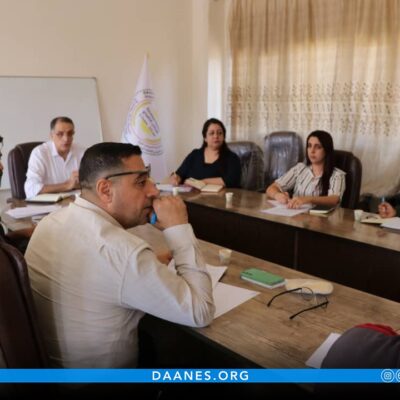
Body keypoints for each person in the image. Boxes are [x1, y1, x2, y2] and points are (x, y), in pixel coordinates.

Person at [25, 142, 215, 368]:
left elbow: (100, 272)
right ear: (105, 190)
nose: (154, 190)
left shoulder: (49, 222)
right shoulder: (124, 253)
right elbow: (201, 311)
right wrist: (178, 227)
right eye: (141, 182)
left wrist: (146, 266)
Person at [266, 130, 346, 209]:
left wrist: (308, 199)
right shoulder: (300, 168)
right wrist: (278, 195)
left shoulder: (337, 175)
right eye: (309, 146)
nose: (312, 151)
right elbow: (271, 188)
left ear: (327, 150)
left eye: (318, 147)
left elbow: (334, 199)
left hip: (321, 217)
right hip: (296, 215)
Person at [169, 118, 241, 188]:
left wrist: (203, 182)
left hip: (220, 196)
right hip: (191, 195)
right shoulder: (194, 155)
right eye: (211, 133)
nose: (216, 136)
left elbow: (232, 180)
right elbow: (179, 173)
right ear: (205, 138)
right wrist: (176, 178)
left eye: (220, 133)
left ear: (223, 137)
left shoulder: (232, 158)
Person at [24, 116, 84, 198]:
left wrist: (83, 183)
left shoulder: (81, 151)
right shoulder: (39, 153)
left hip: (76, 201)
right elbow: (31, 189)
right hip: (49, 204)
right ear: (51, 135)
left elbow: (94, 182)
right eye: (60, 134)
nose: (66, 139)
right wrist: (67, 185)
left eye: (70, 133)